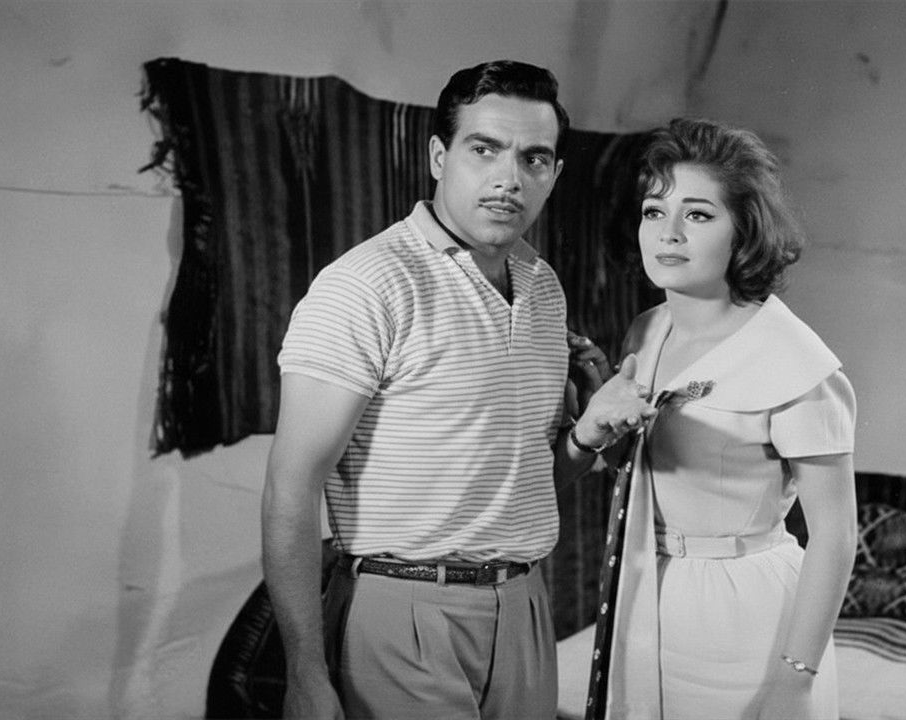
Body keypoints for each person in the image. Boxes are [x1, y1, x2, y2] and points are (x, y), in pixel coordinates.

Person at [261, 59, 653, 720]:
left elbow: (518, 485)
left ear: (554, 174)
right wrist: (304, 671)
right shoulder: (366, 285)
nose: (509, 178)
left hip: (524, 607)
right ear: (439, 157)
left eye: (533, 158)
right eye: (484, 149)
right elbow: (289, 487)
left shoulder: (543, 288)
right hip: (403, 611)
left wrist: (585, 436)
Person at [584, 118, 858, 720]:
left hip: (746, 612)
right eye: (655, 211)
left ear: (743, 232)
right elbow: (645, 476)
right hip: (644, 591)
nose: (670, 232)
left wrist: (795, 679)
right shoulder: (646, 331)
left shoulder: (796, 361)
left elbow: (836, 537)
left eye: (698, 214)